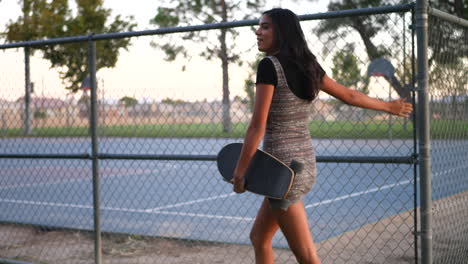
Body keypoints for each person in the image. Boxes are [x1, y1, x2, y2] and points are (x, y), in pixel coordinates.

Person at [231, 8, 413, 264]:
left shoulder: (269, 66)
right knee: (259, 238)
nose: (258, 31)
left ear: (281, 32)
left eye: (265, 27)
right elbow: (349, 95)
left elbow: (256, 126)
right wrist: (388, 107)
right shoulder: (308, 65)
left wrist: (240, 172)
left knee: (307, 257)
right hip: (300, 166)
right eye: (259, 26)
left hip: (284, 174)